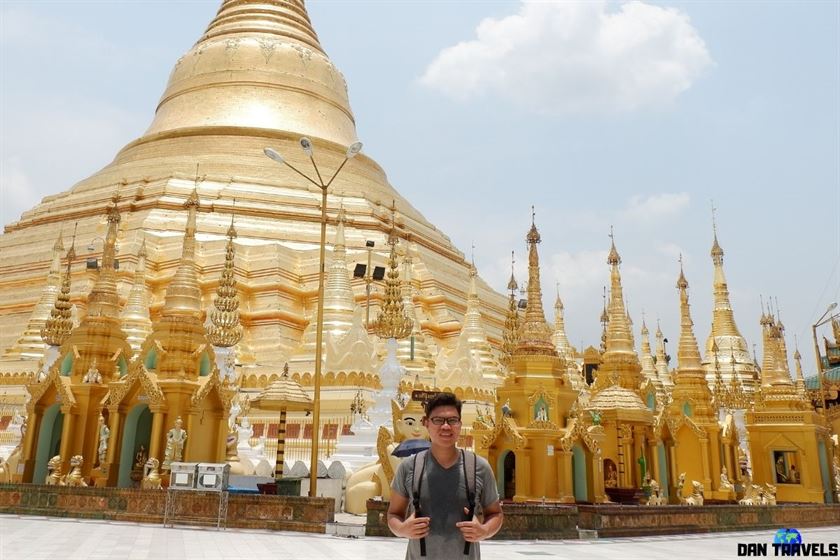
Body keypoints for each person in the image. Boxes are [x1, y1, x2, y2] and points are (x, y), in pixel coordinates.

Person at [388, 392, 503, 559]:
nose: (446, 427)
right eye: (438, 420)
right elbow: (393, 515)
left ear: (460, 424)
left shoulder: (479, 467)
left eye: (452, 420)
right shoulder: (409, 467)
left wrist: (484, 531)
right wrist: (403, 529)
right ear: (426, 423)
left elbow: (496, 514)